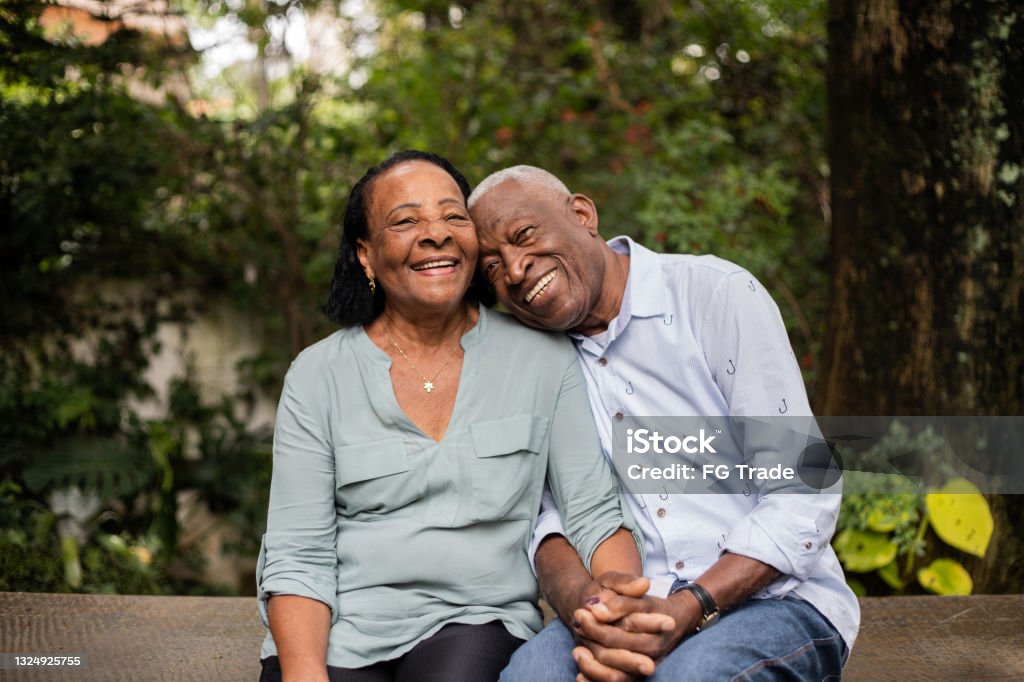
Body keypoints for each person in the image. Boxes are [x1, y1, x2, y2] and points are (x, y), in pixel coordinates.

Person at [255, 151, 643, 682]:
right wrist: (305, 674)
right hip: (342, 627)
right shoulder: (317, 375)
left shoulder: (542, 359)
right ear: (366, 255)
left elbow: (592, 513)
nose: (435, 234)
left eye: (453, 216)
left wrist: (619, 612)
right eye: (406, 220)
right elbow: (298, 555)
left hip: (477, 618)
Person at [468, 165, 860, 681]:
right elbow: (549, 521)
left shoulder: (713, 295)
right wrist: (590, 611)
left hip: (776, 601)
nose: (515, 270)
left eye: (524, 236)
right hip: (630, 604)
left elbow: (803, 492)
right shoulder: (536, 362)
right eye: (493, 266)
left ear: (582, 215)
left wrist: (689, 606)